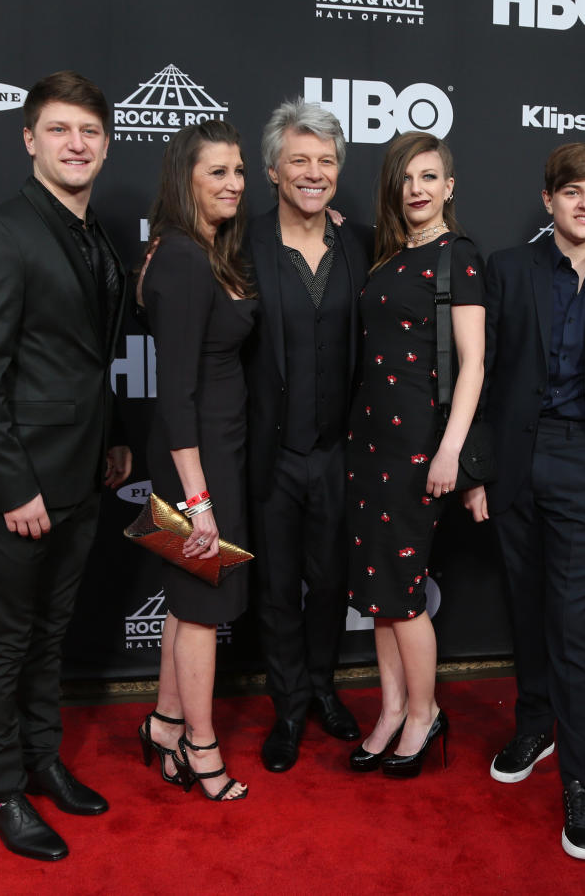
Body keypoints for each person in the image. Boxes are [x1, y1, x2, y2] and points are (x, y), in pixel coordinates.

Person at [0, 70, 131, 861]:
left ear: (107, 143)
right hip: (18, 490)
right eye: (59, 130)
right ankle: (2, 791)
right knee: (4, 642)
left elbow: (88, 360)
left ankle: (42, 758)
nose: (76, 143)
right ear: (29, 140)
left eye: (89, 131)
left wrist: (112, 439)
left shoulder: (96, 237)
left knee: (50, 636)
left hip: (83, 475)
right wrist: (15, 485)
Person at [464, 143, 585, 861]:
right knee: (525, 604)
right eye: (572, 190)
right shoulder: (509, 269)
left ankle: (582, 783)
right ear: (547, 199)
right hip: (515, 464)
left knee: (574, 627)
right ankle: (534, 722)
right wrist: (478, 473)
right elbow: (478, 379)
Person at [345, 131, 485, 778]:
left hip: (419, 449)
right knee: (379, 591)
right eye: (407, 178)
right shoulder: (387, 257)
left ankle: (425, 712)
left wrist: (451, 450)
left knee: (402, 591)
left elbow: (474, 363)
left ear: (450, 187)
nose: (419, 188)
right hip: (368, 445)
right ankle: (392, 707)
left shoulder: (458, 257)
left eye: (430, 176)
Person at [244, 101, 374, 772]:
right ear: (273, 169)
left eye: (326, 161)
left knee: (329, 584)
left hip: (339, 452)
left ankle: (323, 688)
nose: (314, 172)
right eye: (300, 159)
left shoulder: (362, 244)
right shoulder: (243, 243)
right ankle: (288, 706)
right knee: (277, 588)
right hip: (270, 456)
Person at [135, 119, 256, 802]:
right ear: (186, 179)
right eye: (218, 172)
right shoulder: (181, 257)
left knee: (188, 601)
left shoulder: (201, 249)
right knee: (204, 605)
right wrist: (198, 499)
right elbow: (174, 390)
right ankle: (199, 747)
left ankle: (165, 720)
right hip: (195, 459)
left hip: (217, 451)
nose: (234, 183)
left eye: (239, 170)